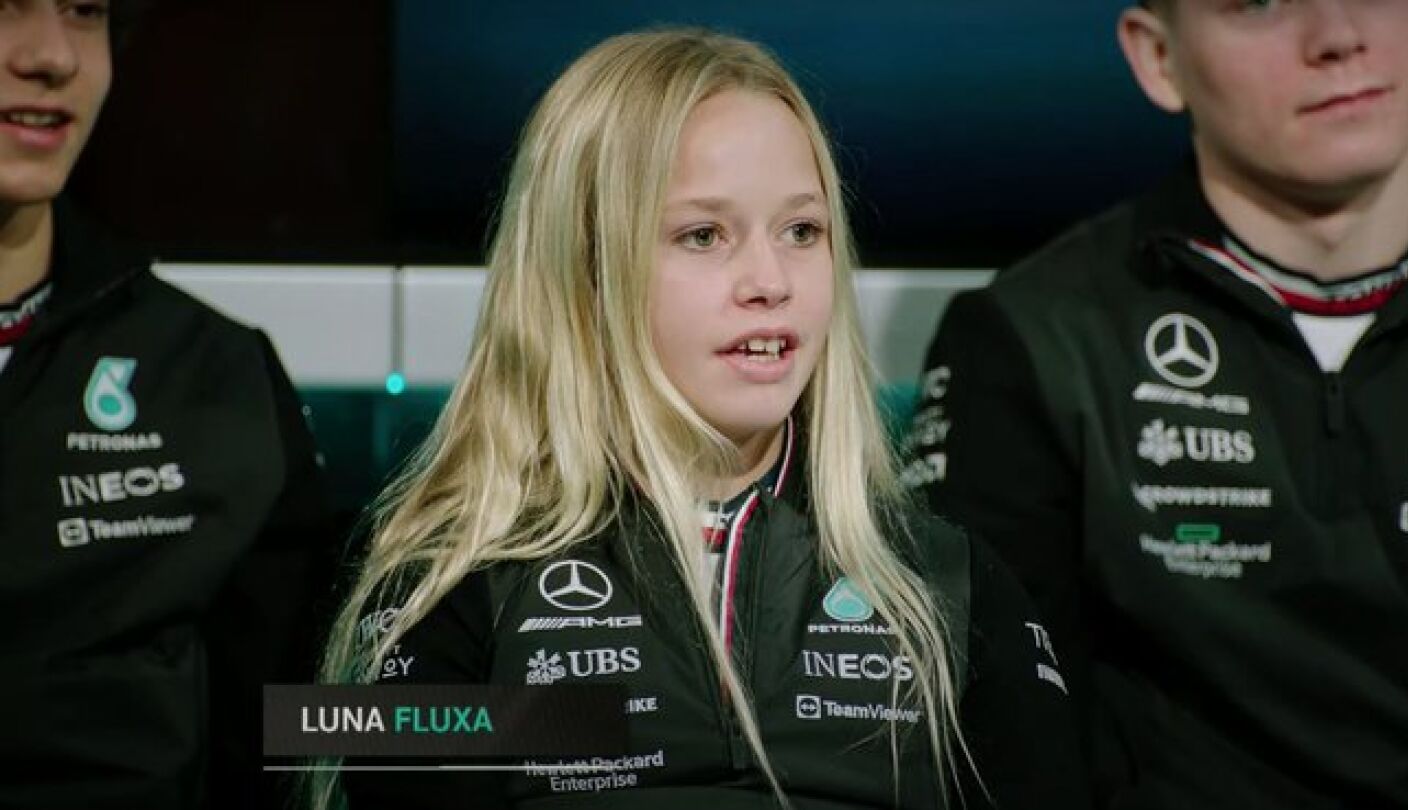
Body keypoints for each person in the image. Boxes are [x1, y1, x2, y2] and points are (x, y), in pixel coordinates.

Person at [321, 28, 1084, 810]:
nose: (770, 280)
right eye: (703, 235)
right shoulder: (446, 583)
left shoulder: (949, 585)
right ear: (584, 269)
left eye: (802, 231)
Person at [906, 0, 1408, 807]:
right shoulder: (1031, 341)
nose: (1338, 35)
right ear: (1159, 58)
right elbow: (996, 748)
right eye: (1258, 3)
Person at [0, 2, 336, 808]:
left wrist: (577, 728)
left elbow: (303, 723)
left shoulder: (210, 374)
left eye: (85, 12)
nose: (53, 56)